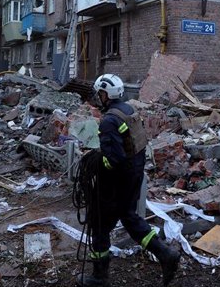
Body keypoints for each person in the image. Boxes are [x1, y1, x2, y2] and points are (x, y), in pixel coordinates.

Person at [78, 74, 180, 287]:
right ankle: (165, 255)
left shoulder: (108, 121)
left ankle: (99, 277)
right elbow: (131, 147)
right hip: (133, 177)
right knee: (130, 218)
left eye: (100, 93)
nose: (99, 97)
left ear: (106, 94)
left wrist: (97, 164)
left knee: (99, 225)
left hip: (115, 183)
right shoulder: (129, 111)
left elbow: (112, 160)